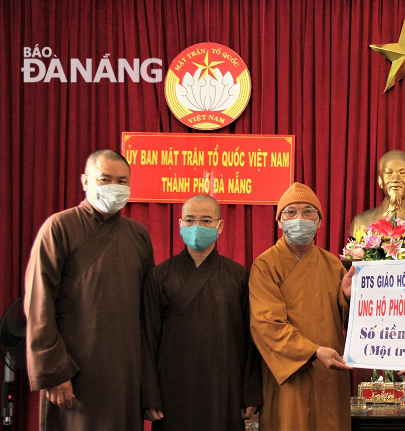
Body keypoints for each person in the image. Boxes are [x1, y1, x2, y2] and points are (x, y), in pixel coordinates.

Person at [24, 149, 154, 430]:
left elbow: (146, 313)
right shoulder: (59, 227)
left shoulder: (138, 235)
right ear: (85, 181)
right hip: (75, 372)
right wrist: (54, 371)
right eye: (105, 179)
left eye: (122, 181)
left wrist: (146, 379)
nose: (114, 187)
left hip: (124, 373)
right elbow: (39, 305)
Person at [141, 194, 262, 430]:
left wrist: (250, 392)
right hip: (172, 387)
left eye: (206, 221)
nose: (197, 227)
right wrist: (149, 394)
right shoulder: (159, 275)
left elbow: (251, 339)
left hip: (224, 385)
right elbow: (147, 338)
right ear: (180, 224)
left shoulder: (238, 276)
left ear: (220, 225)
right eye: (190, 220)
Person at [249, 182, 354, 430]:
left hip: (330, 375)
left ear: (319, 222)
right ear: (279, 221)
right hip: (288, 377)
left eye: (308, 212)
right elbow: (266, 325)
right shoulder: (265, 265)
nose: (300, 218)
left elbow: (355, 325)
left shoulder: (333, 265)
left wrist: (351, 298)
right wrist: (314, 351)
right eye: (291, 212)